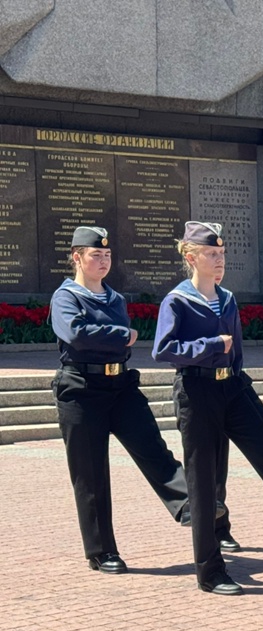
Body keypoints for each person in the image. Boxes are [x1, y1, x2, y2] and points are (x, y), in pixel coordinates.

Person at [153, 222, 263, 596]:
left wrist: (235, 376)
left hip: (231, 386)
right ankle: (211, 571)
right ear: (191, 257)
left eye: (222, 255)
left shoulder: (227, 298)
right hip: (196, 393)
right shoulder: (178, 300)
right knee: (203, 482)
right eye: (212, 255)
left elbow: (233, 353)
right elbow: (163, 349)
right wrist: (210, 344)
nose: (219, 261)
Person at [50, 226, 207, 574]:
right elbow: (75, 334)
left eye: (107, 255)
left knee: (152, 447)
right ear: (77, 257)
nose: (104, 261)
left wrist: (112, 340)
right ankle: (101, 551)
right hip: (81, 389)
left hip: (120, 385)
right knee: (90, 472)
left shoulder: (114, 299)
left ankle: (193, 506)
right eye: (96, 255)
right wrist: (122, 335)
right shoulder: (66, 297)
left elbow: (99, 339)